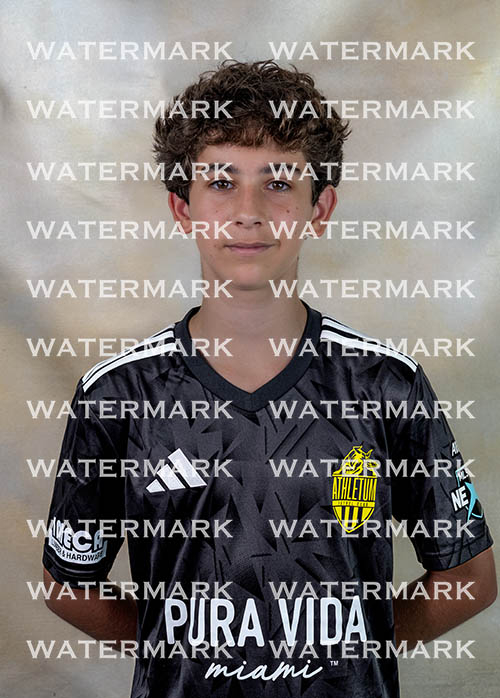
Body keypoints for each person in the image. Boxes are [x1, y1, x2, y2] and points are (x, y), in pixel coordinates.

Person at [42, 60, 496, 698]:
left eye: (279, 182)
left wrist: (352, 646)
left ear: (320, 207)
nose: (248, 211)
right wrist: (181, 651)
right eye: (221, 183)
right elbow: (69, 584)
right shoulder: (120, 394)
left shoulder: (386, 385)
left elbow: (469, 580)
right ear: (182, 208)